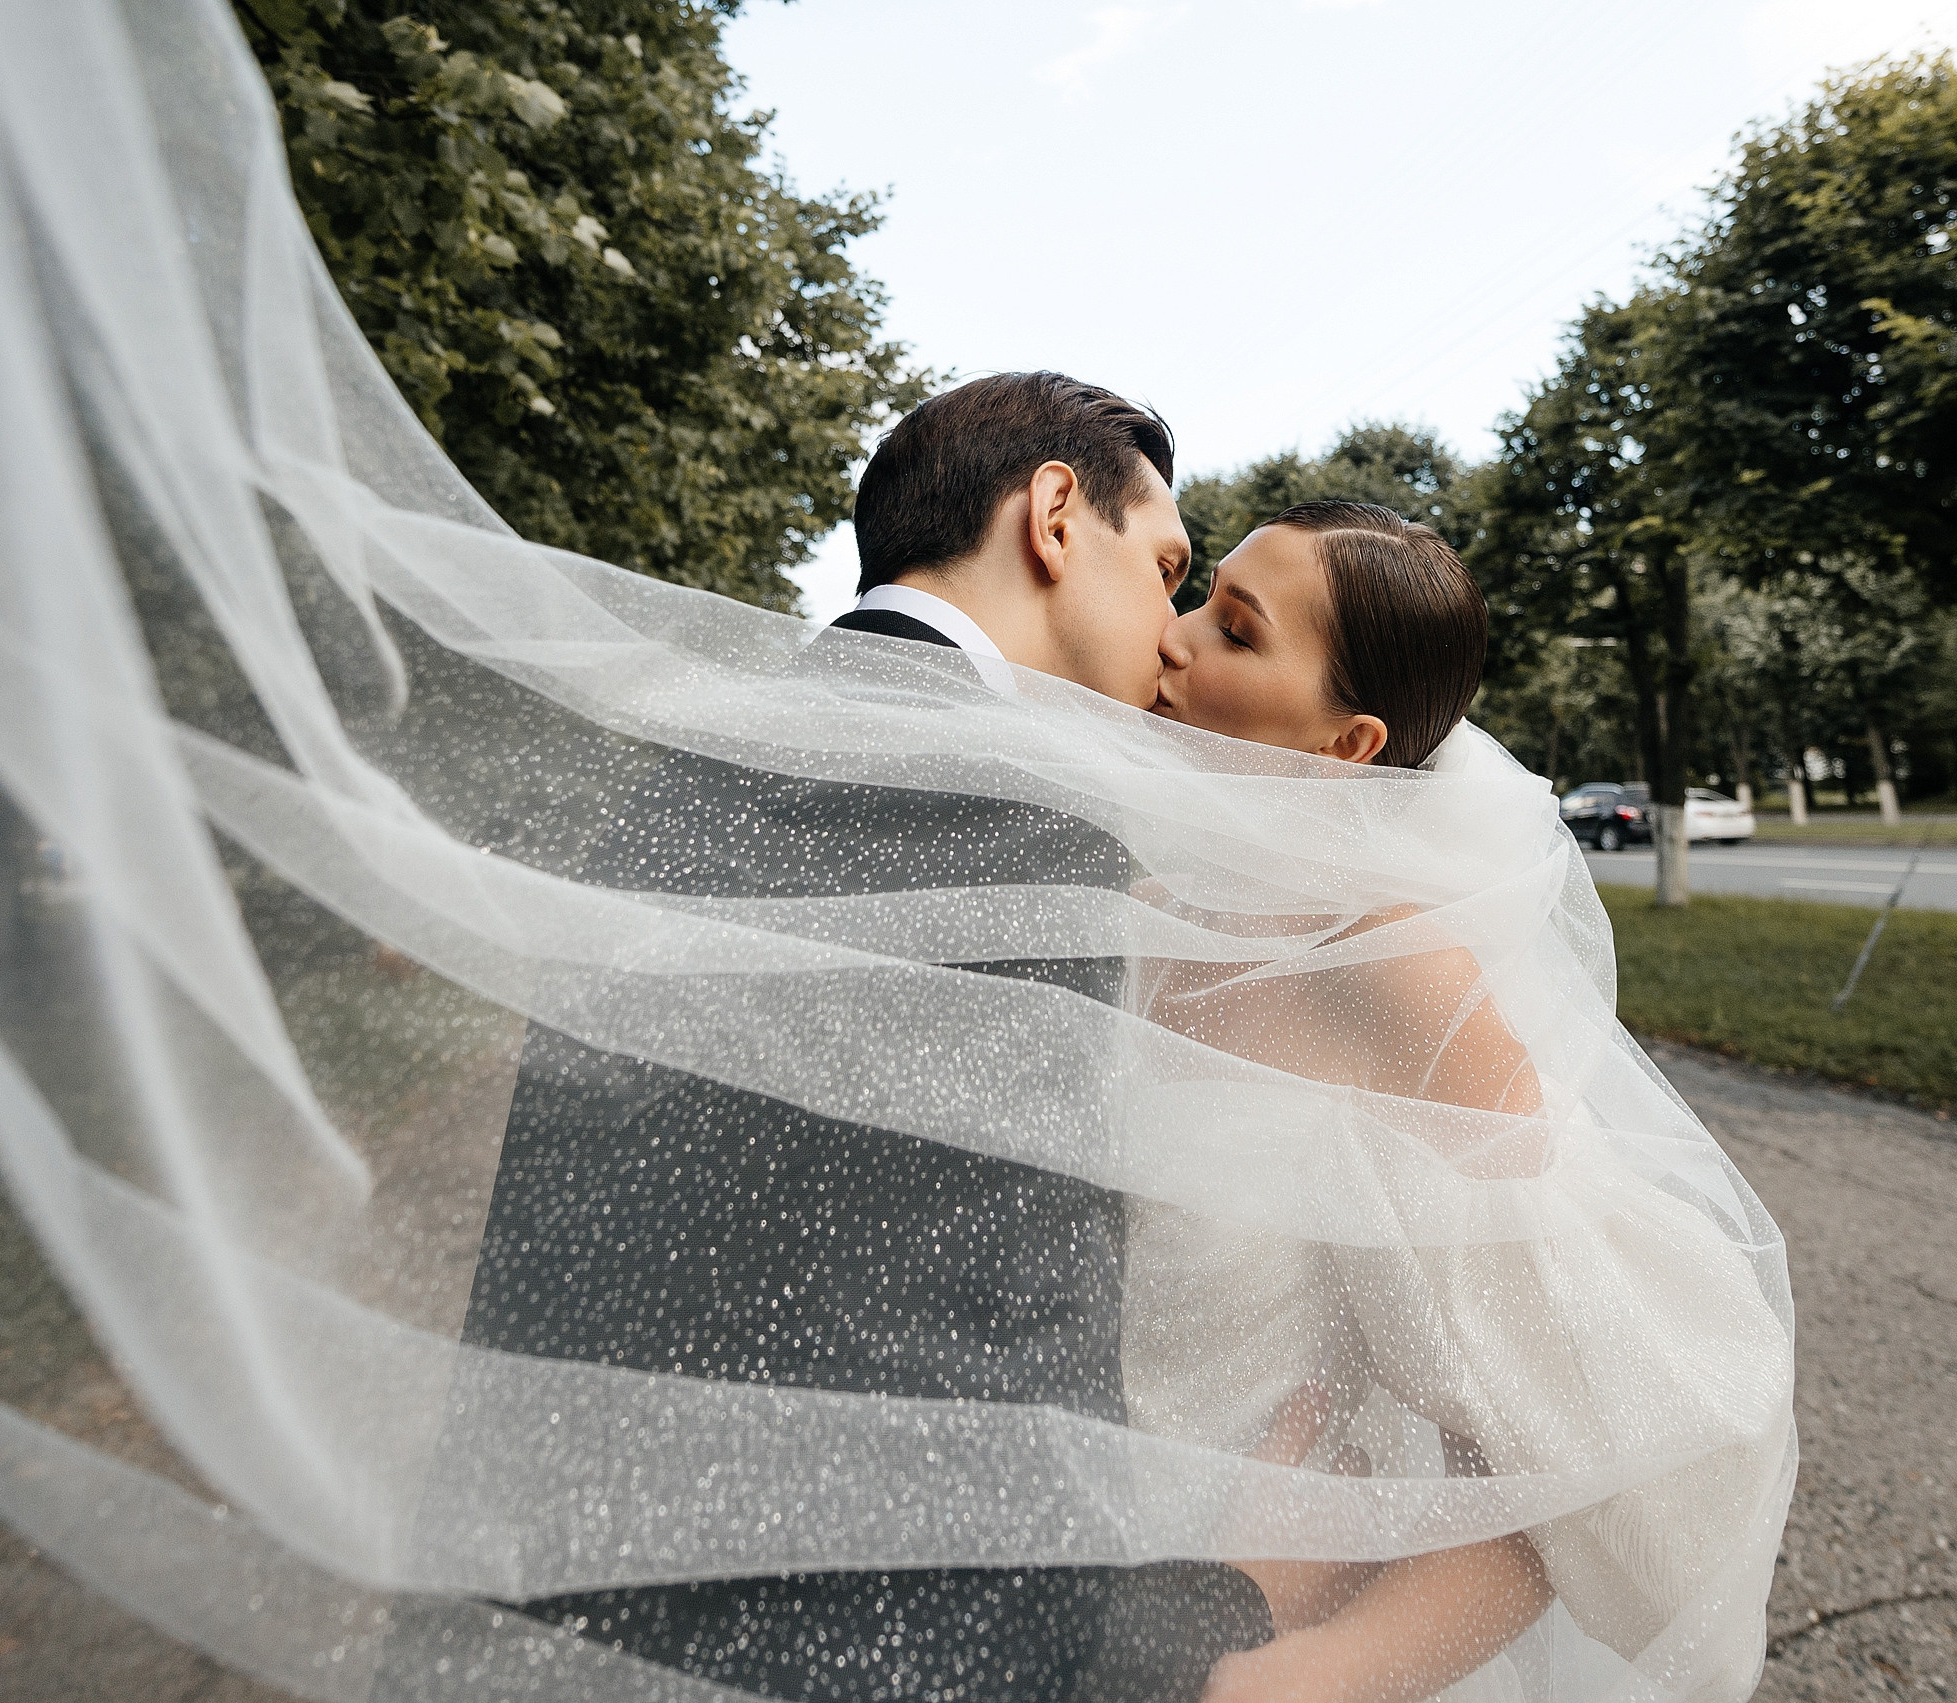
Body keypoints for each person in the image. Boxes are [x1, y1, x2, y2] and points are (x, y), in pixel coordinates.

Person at [453, 373, 1274, 1701]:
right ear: (1057, 515)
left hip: (570, 1583)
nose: (1175, 630)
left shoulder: (699, 761)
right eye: (1170, 566)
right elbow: (1015, 1320)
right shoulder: (1019, 813)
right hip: (890, 1638)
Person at [1129, 503, 1792, 1703]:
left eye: (1233, 630)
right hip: (1083, 1552)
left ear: (1346, 741)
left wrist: (1306, 1672)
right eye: (1196, 599)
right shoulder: (1141, 899)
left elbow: (1597, 1424)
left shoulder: (1386, 961)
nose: (1171, 640)